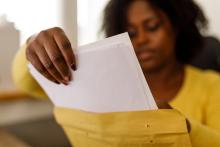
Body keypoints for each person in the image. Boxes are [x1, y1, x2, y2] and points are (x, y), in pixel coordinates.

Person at [13, 0, 220, 146]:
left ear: (176, 28)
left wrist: (179, 126)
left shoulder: (212, 87)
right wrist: (34, 47)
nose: (141, 40)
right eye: (131, 33)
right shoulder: (104, 82)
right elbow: (26, 83)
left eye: (152, 26)